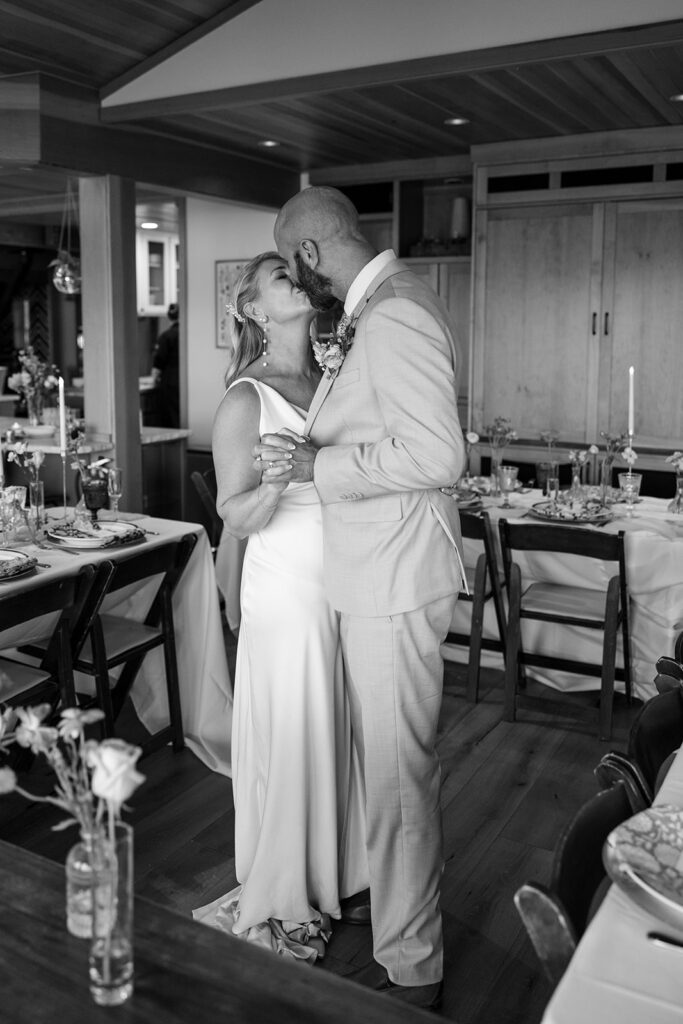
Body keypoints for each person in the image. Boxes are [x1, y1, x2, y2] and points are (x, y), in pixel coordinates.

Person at [257, 186, 466, 1010]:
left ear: (308, 254)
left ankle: (413, 966)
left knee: (396, 779)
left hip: (391, 576)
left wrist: (320, 468)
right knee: (386, 769)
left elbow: (437, 454)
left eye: (290, 261)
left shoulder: (394, 313)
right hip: (375, 571)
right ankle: (394, 910)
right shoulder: (384, 303)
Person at [193, 252, 368, 962]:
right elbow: (234, 516)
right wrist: (272, 482)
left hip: (348, 579)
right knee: (297, 725)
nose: (291, 276)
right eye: (274, 274)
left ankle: (341, 871)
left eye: (291, 268)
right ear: (256, 311)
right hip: (286, 590)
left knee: (338, 722)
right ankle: (290, 886)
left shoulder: (331, 379)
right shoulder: (245, 398)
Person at [151, 302, 180, 427]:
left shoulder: (166, 336)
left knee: (170, 417)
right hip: (184, 381)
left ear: (169, 317)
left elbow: (158, 363)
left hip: (170, 382)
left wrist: (154, 380)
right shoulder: (186, 334)